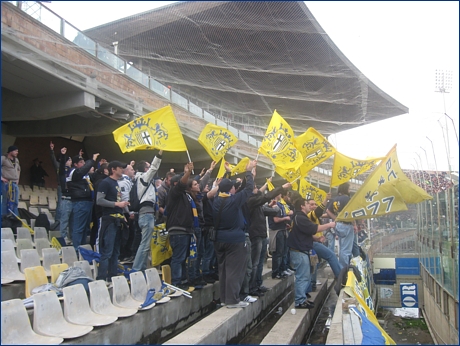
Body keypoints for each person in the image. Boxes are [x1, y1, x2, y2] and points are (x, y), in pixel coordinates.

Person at [213, 159, 257, 308]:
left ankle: (224, 299)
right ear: (231, 189)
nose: (234, 189)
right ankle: (232, 301)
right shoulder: (234, 201)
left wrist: (228, 172)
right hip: (234, 240)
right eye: (233, 187)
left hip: (219, 239)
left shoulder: (216, 200)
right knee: (234, 270)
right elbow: (249, 188)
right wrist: (249, 172)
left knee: (223, 270)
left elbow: (229, 188)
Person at [287, 198, 335, 309]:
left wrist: (316, 239)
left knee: (306, 276)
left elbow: (306, 233)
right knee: (302, 277)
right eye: (307, 204)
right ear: (302, 206)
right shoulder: (300, 217)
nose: (310, 206)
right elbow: (314, 228)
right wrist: (329, 225)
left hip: (302, 250)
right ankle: (299, 301)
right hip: (299, 251)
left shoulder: (301, 217)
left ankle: (302, 298)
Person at [247, 177, 291, 297]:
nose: (257, 189)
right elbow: (265, 197)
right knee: (254, 263)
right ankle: (251, 287)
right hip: (255, 235)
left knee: (260, 263)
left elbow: (271, 211)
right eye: (255, 187)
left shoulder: (258, 204)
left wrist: (273, 206)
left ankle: (258, 284)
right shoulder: (250, 201)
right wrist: (281, 188)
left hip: (262, 235)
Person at [96, 161, 130, 283]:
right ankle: (101, 278)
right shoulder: (105, 182)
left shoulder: (116, 183)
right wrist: (117, 204)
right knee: (107, 251)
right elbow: (99, 200)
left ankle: (112, 276)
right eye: (121, 168)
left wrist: (122, 210)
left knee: (116, 251)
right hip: (109, 220)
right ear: (113, 169)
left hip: (118, 220)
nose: (122, 170)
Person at [166, 162, 196, 290]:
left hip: (185, 231)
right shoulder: (174, 193)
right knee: (178, 258)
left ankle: (183, 281)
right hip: (178, 231)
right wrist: (187, 172)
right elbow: (183, 184)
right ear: (175, 184)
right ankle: (176, 283)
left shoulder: (185, 195)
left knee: (183, 258)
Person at [131, 151, 163, 272]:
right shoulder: (143, 178)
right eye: (148, 167)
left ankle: (142, 268)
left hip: (147, 214)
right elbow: (155, 167)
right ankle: (136, 269)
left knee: (145, 244)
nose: (151, 170)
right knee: (144, 244)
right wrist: (159, 154)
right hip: (146, 214)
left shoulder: (142, 180)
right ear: (145, 169)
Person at [67, 152, 99, 250]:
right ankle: (76, 249)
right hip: (80, 202)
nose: (84, 164)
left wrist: (100, 166)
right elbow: (83, 170)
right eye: (81, 162)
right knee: (79, 228)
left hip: (88, 202)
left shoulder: (86, 175)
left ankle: (83, 248)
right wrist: (92, 160)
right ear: (75, 164)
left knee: (85, 228)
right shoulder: (74, 172)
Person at [327, 182, 356, 268]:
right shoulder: (347, 199)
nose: (350, 190)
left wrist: (336, 219)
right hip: (347, 224)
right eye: (349, 188)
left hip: (338, 225)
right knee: (346, 249)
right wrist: (354, 224)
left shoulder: (335, 199)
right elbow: (351, 213)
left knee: (342, 247)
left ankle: (342, 266)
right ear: (346, 189)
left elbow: (328, 211)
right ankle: (343, 269)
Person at [58, 147, 74, 245]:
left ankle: (71, 238)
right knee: (64, 220)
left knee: (72, 221)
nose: (70, 161)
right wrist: (63, 155)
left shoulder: (73, 172)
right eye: (68, 160)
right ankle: (63, 238)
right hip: (65, 198)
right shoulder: (62, 172)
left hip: (74, 199)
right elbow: (61, 167)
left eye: (70, 160)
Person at [1, 145, 21, 217]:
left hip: (14, 183)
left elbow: (18, 169)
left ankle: (14, 217)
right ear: (11, 151)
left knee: (15, 201)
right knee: (5, 201)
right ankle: (3, 217)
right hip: (6, 183)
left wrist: (18, 179)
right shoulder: (3, 159)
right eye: (16, 151)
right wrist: (1, 178)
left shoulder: (16, 160)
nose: (17, 152)